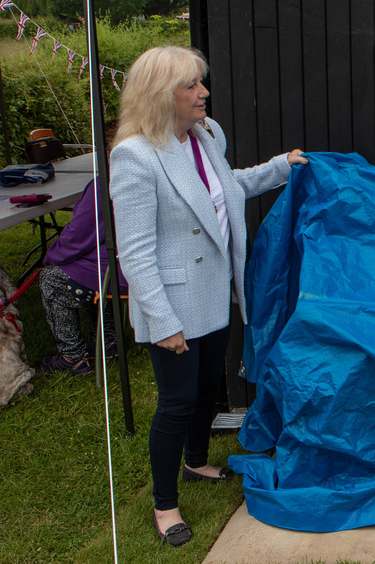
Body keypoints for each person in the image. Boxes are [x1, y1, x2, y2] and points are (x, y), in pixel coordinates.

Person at [109, 46, 307, 548]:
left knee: (205, 392)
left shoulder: (205, 136)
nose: (204, 93)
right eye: (192, 85)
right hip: (172, 302)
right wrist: (163, 319)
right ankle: (164, 504)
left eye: (202, 82)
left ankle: (196, 461)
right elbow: (134, 253)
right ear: (160, 94)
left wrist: (281, 167)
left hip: (214, 292)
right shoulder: (134, 156)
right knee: (175, 403)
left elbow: (227, 188)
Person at [38, 176, 128, 376]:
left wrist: (52, 256)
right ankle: (107, 340)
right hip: (141, 261)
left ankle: (72, 357)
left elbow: (77, 236)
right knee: (86, 266)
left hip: (126, 266)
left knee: (53, 278)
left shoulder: (107, 181)